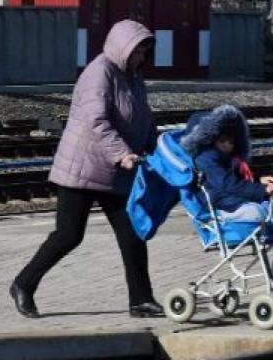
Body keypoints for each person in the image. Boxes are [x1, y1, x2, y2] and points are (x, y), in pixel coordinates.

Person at [11, 20, 161, 319]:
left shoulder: (133, 76)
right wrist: (123, 154)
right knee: (68, 235)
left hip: (115, 170)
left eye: (145, 52)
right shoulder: (99, 72)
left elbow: (142, 117)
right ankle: (23, 284)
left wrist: (158, 147)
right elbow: (97, 121)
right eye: (138, 52)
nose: (142, 57)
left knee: (132, 233)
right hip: (82, 168)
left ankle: (141, 300)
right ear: (124, 48)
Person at [179, 105, 273, 276]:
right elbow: (228, 184)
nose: (228, 145)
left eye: (231, 142)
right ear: (210, 140)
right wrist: (261, 190)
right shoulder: (206, 159)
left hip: (237, 205)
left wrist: (258, 180)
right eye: (222, 141)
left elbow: (236, 180)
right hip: (225, 210)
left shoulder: (228, 159)